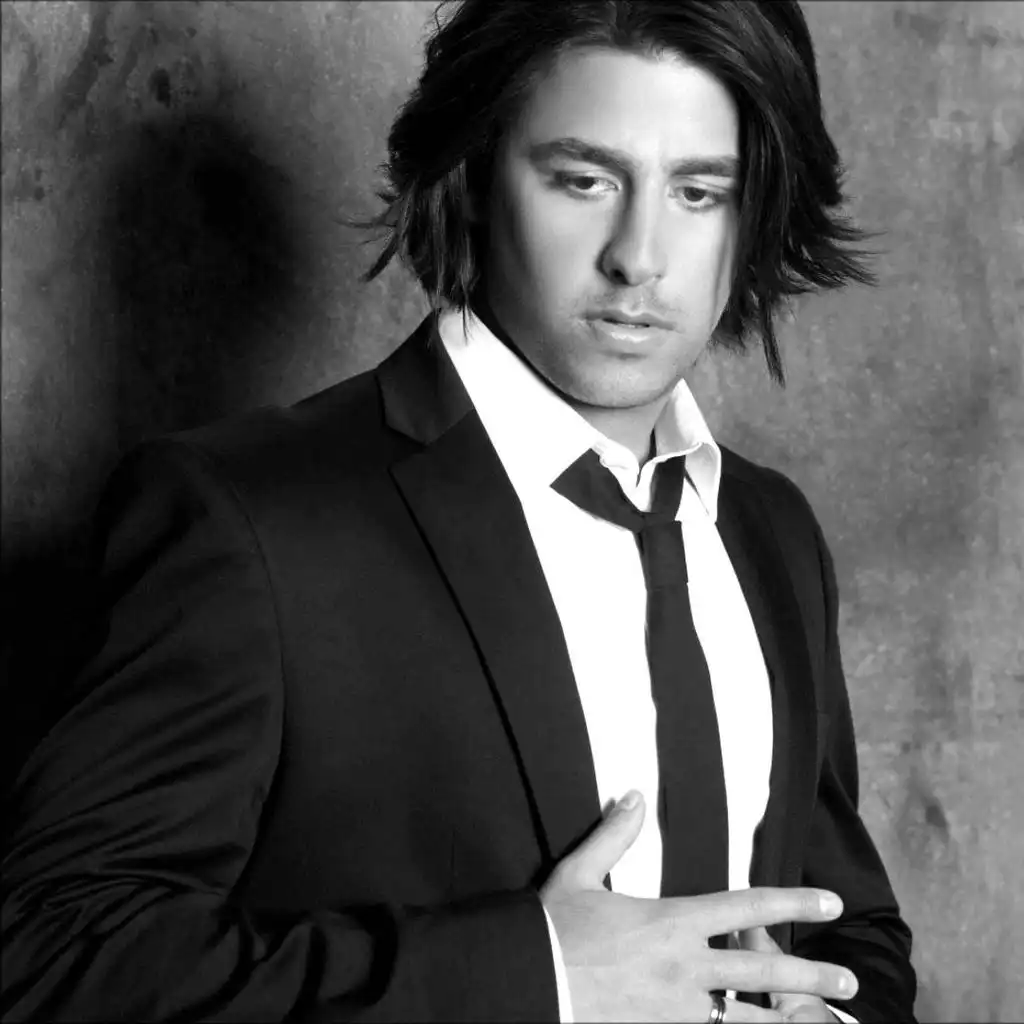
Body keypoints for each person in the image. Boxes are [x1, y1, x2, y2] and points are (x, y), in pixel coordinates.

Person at [1, 1, 916, 1021]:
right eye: (583, 180)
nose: (639, 256)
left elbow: (849, 929)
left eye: (700, 193)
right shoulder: (248, 521)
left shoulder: (772, 531)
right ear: (474, 179)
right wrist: (538, 977)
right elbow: (56, 955)